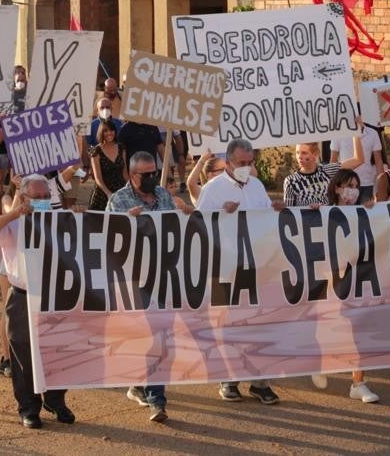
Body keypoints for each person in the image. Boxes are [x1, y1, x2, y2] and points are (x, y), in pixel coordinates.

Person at [107, 151, 196, 422]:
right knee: (151, 334)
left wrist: (186, 214)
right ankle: (157, 399)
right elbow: (108, 239)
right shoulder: (119, 200)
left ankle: (144, 387)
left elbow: (175, 229)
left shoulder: (164, 196)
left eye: (154, 172)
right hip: (136, 278)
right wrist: (125, 223)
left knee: (161, 335)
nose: (151, 178)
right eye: (145, 174)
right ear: (131, 175)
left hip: (164, 275)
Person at [0, 175, 76, 429]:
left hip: (53, 296)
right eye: (39, 197)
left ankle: (56, 400)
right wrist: (14, 213)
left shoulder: (57, 220)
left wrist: (79, 215)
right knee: (22, 353)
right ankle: (29, 407)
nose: (45, 201)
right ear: (24, 197)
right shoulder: (13, 224)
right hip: (23, 296)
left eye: (47, 196)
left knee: (58, 349)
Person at [195, 138, 282, 406]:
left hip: (256, 266)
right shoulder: (212, 190)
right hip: (226, 268)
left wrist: (275, 210)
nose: (247, 167)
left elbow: (264, 218)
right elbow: (199, 226)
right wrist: (222, 213)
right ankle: (229, 379)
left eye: (250, 162)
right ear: (229, 163)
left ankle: (259, 382)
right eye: (241, 163)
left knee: (259, 323)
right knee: (230, 324)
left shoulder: (256, 186)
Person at [307, 168, 380, 403]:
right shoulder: (324, 212)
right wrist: (313, 216)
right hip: (331, 280)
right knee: (330, 326)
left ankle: (358, 383)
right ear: (337, 188)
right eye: (348, 185)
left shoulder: (365, 212)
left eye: (357, 186)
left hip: (358, 278)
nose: (353, 191)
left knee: (360, 328)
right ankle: (319, 361)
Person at [283, 138, 363, 207]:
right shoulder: (290, 181)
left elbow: (358, 160)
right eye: (297, 152)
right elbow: (287, 212)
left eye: (304, 153)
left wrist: (355, 133)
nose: (299, 157)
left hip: (331, 222)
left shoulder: (327, 170)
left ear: (316, 154)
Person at [329, 123, 384, 203]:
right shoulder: (338, 133)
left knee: (365, 213)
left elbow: (378, 161)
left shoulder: (373, 133)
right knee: (347, 212)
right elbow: (333, 161)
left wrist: (381, 185)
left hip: (366, 184)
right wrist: (334, 185)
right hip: (345, 185)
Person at [88, 119, 127, 210]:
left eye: (111, 130)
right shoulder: (96, 151)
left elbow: (125, 173)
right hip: (102, 195)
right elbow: (98, 179)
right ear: (101, 132)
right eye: (105, 130)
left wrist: (130, 189)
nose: (109, 133)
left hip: (119, 193)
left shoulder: (122, 148)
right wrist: (109, 193)